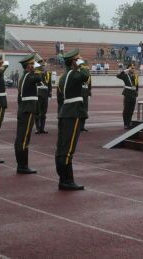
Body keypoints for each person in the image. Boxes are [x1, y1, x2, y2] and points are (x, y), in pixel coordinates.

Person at [56, 49, 88, 191]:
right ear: (73, 62)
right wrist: (82, 64)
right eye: (78, 59)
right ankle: (67, 180)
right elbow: (86, 75)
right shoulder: (74, 74)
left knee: (62, 147)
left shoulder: (64, 76)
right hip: (73, 112)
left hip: (65, 112)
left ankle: (64, 178)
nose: (80, 60)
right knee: (68, 148)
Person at [15, 54, 41, 174]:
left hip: (25, 109)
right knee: (24, 138)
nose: (34, 65)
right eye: (32, 64)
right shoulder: (29, 77)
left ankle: (22, 165)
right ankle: (22, 166)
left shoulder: (25, 77)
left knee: (22, 137)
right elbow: (39, 78)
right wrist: (38, 67)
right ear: (28, 66)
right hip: (28, 109)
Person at [117, 63, 139, 129]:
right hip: (127, 93)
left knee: (131, 110)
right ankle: (126, 124)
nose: (133, 69)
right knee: (126, 109)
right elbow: (118, 76)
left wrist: (136, 92)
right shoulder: (125, 75)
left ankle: (129, 122)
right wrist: (125, 70)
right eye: (131, 68)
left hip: (133, 94)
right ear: (129, 68)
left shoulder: (136, 76)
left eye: (134, 68)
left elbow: (137, 85)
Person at [35, 59, 52, 134]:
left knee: (44, 112)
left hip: (45, 94)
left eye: (44, 65)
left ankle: (42, 128)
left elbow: (49, 85)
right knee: (37, 112)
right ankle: (37, 128)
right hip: (38, 94)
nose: (44, 66)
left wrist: (49, 94)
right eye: (42, 65)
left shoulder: (48, 74)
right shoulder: (36, 73)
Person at [80, 61, 92, 132]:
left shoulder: (89, 75)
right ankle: (78, 126)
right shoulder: (80, 74)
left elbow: (89, 85)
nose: (87, 69)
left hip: (86, 94)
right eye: (86, 68)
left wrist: (89, 93)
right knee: (79, 110)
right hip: (80, 93)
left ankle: (82, 126)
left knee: (85, 110)